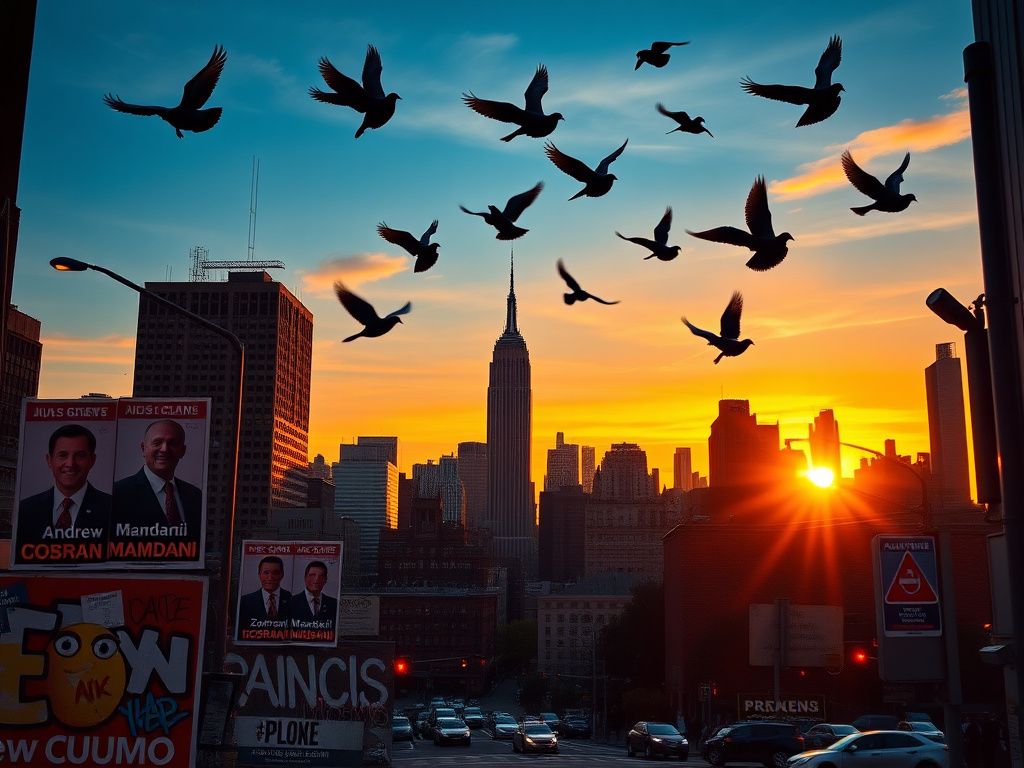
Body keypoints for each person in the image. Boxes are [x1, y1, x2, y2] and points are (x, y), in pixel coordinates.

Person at [16, 424, 112, 548]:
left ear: (92, 460)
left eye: (80, 455)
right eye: (62, 455)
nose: (70, 463)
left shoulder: (112, 509)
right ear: (49, 460)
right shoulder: (25, 510)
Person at [111, 419, 202, 539]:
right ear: (143, 448)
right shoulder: (117, 494)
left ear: (182, 451)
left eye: (172, 443)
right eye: (157, 442)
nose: (164, 449)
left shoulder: (195, 496)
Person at [237, 556, 292, 627]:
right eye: (266, 573)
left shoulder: (291, 599)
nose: (270, 577)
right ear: (259, 575)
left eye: (275, 573)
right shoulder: (245, 601)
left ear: (282, 575)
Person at [288, 560, 338, 626]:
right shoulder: (292, 602)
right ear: (305, 578)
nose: (316, 580)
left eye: (321, 576)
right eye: (312, 575)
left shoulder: (333, 603)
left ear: (325, 580)